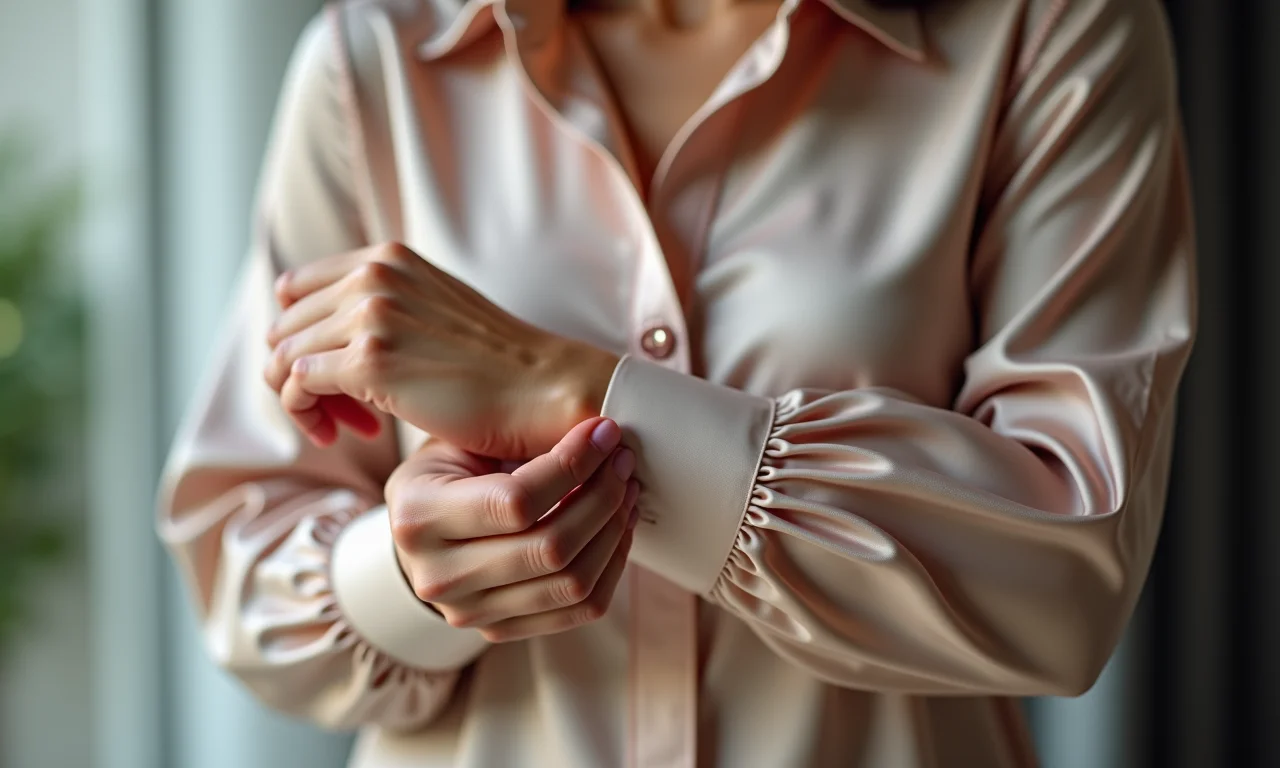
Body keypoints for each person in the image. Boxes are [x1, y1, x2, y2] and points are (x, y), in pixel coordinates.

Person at [157, 0, 1196, 765]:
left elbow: (1067, 572)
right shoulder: (374, 60)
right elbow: (240, 570)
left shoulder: (1046, 29)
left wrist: (551, 388)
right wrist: (407, 573)